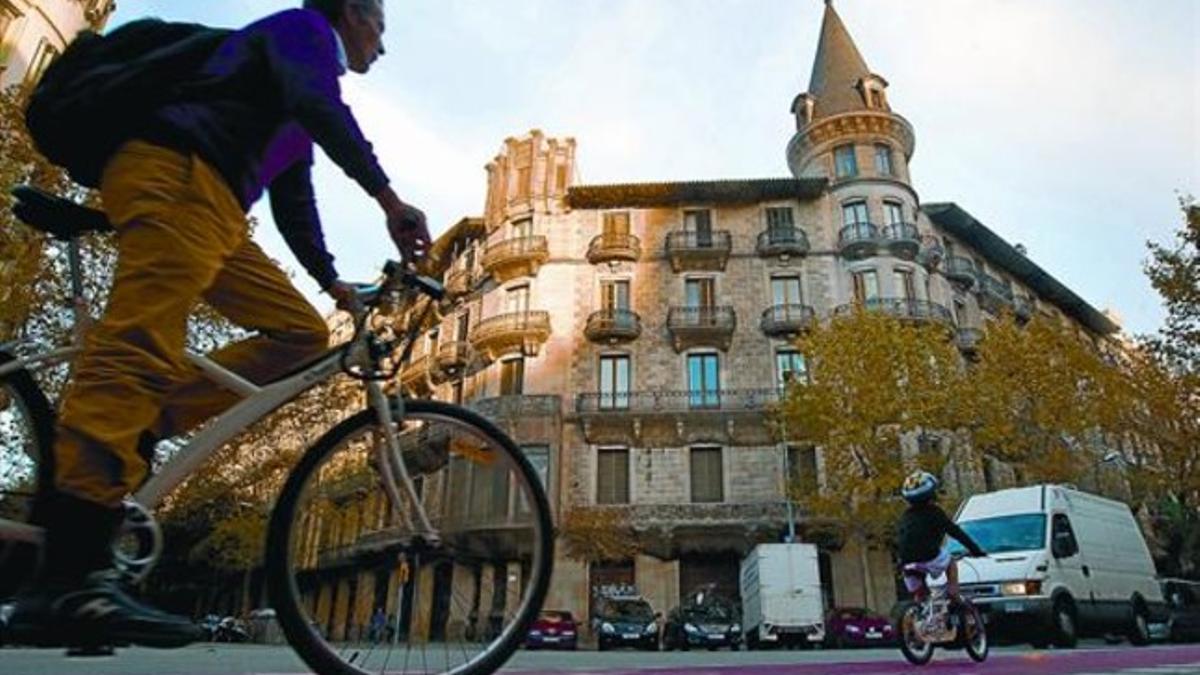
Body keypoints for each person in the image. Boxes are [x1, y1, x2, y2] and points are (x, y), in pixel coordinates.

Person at [11, 0, 430, 649]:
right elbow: (325, 111)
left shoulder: (289, 89)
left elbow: (295, 202)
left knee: (301, 333)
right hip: (178, 173)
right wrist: (389, 199)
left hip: (219, 211)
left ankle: (148, 418)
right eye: (380, 24)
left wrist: (333, 285)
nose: (382, 43)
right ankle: (71, 578)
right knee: (139, 346)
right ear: (350, 13)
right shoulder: (301, 34)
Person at [896, 470, 986, 602]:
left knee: (920, 598)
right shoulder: (935, 513)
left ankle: (917, 614)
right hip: (929, 556)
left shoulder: (905, 516)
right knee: (950, 562)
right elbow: (956, 533)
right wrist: (976, 550)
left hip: (906, 563)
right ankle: (953, 592)